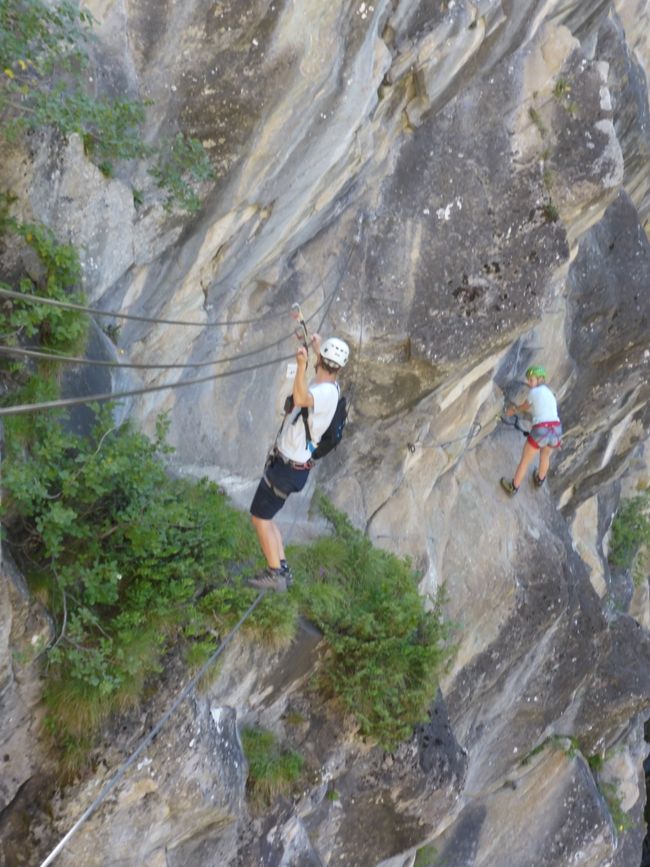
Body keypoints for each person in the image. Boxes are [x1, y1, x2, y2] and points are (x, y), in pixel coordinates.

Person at [248, 333, 350, 591]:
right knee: (267, 518)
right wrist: (315, 347)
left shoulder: (324, 392)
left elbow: (302, 399)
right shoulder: (331, 385)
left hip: (287, 468)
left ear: (321, 363)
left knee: (259, 519)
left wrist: (301, 366)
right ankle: (281, 568)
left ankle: (275, 575)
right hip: (292, 467)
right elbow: (323, 370)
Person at [500, 365, 562, 496]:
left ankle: (513, 487)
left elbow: (524, 406)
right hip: (556, 430)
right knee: (545, 456)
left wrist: (513, 410)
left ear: (540, 378)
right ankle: (540, 479)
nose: (529, 382)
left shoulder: (534, 392)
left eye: (531, 379)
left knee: (525, 460)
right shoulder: (550, 394)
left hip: (541, 430)